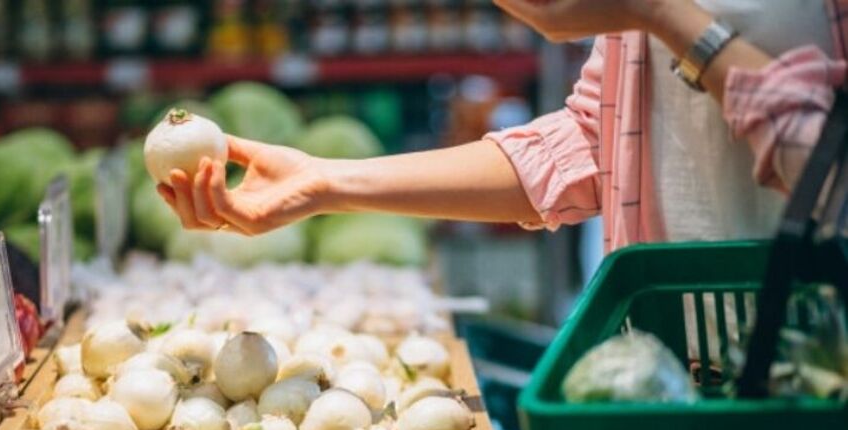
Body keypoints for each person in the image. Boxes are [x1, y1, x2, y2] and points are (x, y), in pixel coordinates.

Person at [158, 0, 848, 254]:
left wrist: (661, 14)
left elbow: (833, 178)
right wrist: (324, 182)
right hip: (675, 367)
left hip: (819, 376)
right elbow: (591, 146)